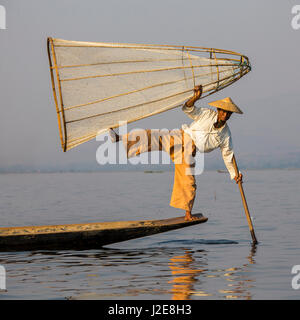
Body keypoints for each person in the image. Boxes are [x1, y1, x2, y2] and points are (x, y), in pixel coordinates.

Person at [109, 85, 243, 221]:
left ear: (230, 115)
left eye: (228, 113)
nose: (224, 115)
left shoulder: (226, 135)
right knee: (154, 135)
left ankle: (187, 214)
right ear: (218, 110)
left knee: (188, 181)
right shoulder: (207, 114)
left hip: (190, 151)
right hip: (181, 137)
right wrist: (195, 98)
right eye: (223, 111)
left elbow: (228, 155)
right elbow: (188, 109)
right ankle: (119, 138)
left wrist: (235, 175)